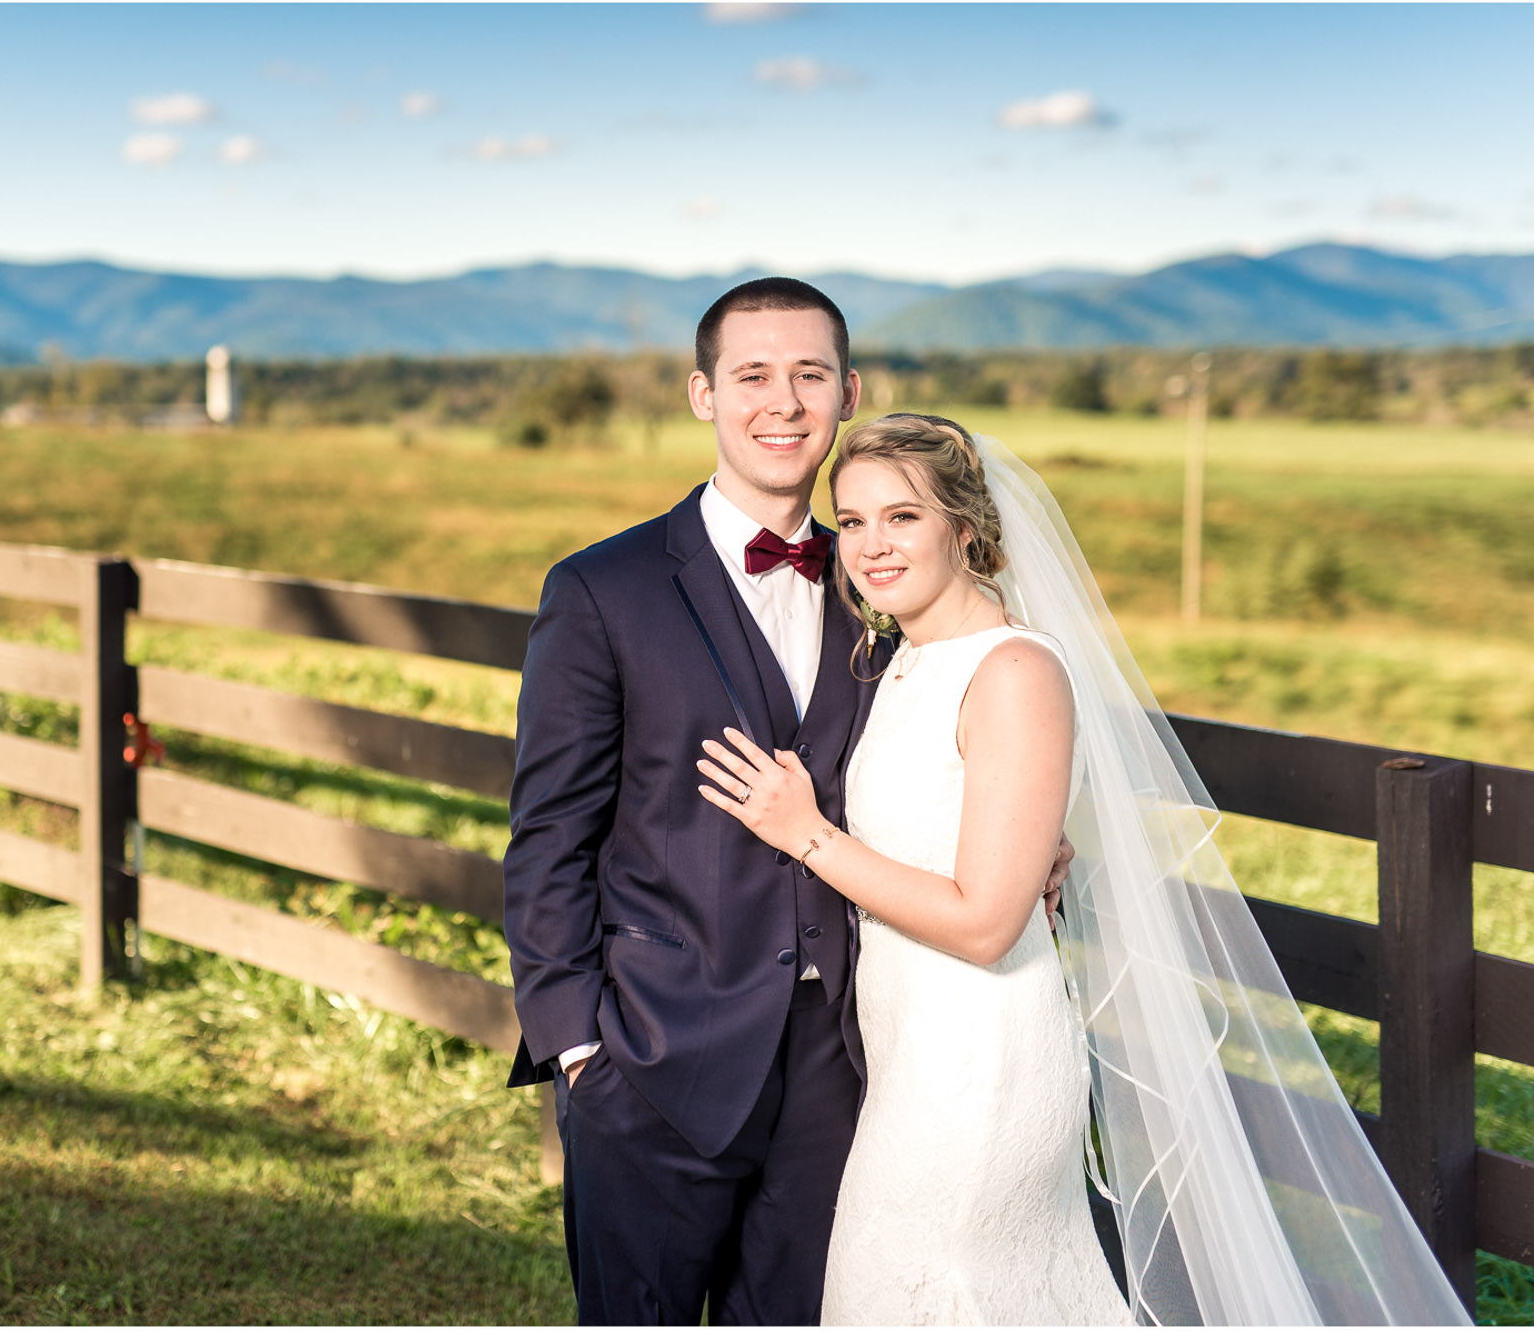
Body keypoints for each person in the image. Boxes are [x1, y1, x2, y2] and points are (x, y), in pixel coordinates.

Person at [698, 414, 1467, 1325]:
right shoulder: (909, 657)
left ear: (967, 529)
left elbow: (985, 923)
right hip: (913, 1054)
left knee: (917, 1284)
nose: (870, 546)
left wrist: (808, 835)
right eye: (854, 520)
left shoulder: (1014, 670)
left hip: (980, 1064)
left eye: (902, 518)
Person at [502, 277, 885, 1323]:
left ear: (847, 392)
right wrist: (576, 1046)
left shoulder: (883, 587)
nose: (783, 402)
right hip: (650, 1052)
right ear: (701, 394)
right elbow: (547, 836)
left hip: (839, 1063)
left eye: (809, 374)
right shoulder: (601, 590)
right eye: (751, 375)